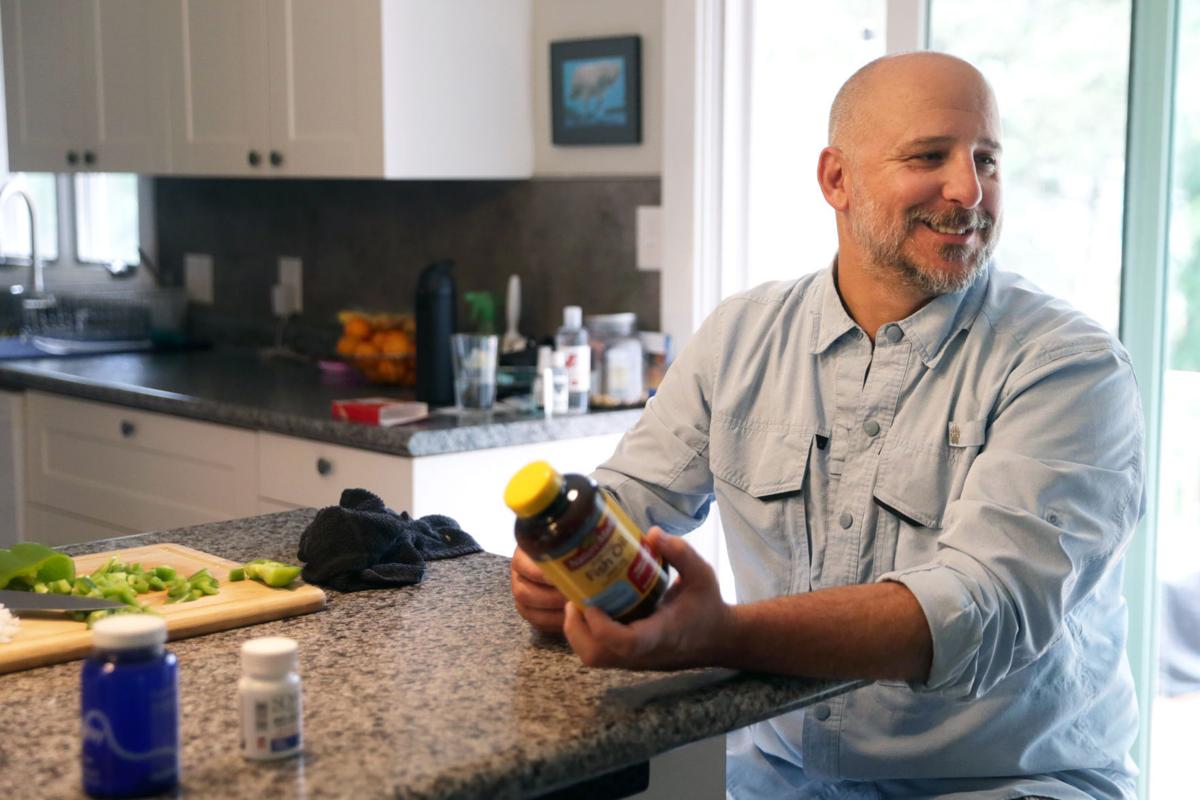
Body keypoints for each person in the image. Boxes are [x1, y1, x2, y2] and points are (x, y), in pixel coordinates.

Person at [511, 51, 1145, 800]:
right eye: (930, 156)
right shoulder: (741, 336)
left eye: (987, 160)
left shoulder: (1068, 365)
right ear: (836, 180)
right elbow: (630, 499)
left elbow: (979, 610)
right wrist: (560, 571)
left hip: (1009, 784)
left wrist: (719, 632)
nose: (969, 189)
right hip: (778, 777)